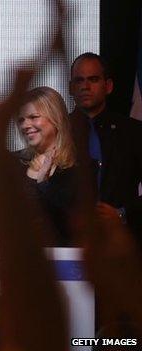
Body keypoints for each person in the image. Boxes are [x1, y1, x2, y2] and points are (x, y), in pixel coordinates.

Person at [0, 87, 77, 246]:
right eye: (21, 120)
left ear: (56, 118)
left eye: (33, 117)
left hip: (64, 263)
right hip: (22, 259)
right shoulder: (14, 163)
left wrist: (43, 184)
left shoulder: (77, 165)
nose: (25, 125)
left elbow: (71, 221)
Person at [69, 52, 142, 244]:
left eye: (93, 79)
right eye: (79, 80)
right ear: (71, 88)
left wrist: (122, 214)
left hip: (122, 244)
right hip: (68, 246)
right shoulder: (58, 131)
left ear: (108, 86)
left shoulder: (133, 132)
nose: (85, 86)